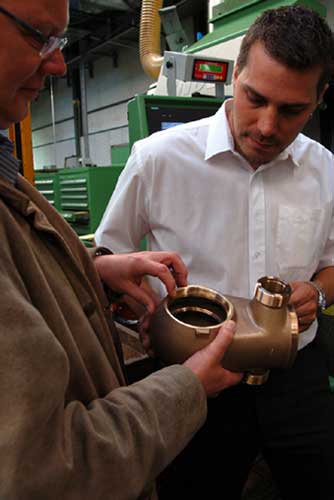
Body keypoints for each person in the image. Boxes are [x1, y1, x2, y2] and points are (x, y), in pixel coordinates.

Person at [0, 1, 244, 499]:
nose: (58, 63)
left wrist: (92, 270)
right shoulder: (157, 155)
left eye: (59, 41)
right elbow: (45, 468)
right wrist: (186, 387)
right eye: (38, 36)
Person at [96, 5, 334, 500]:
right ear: (236, 76)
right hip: (193, 379)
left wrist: (317, 292)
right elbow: (108, 261)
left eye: (292, 110)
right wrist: (136, 301)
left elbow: (332, 266)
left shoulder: (325, 170)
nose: (268, 126)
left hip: (296, 376)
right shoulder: (158, 159)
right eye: (256, 99)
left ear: (319, 100)